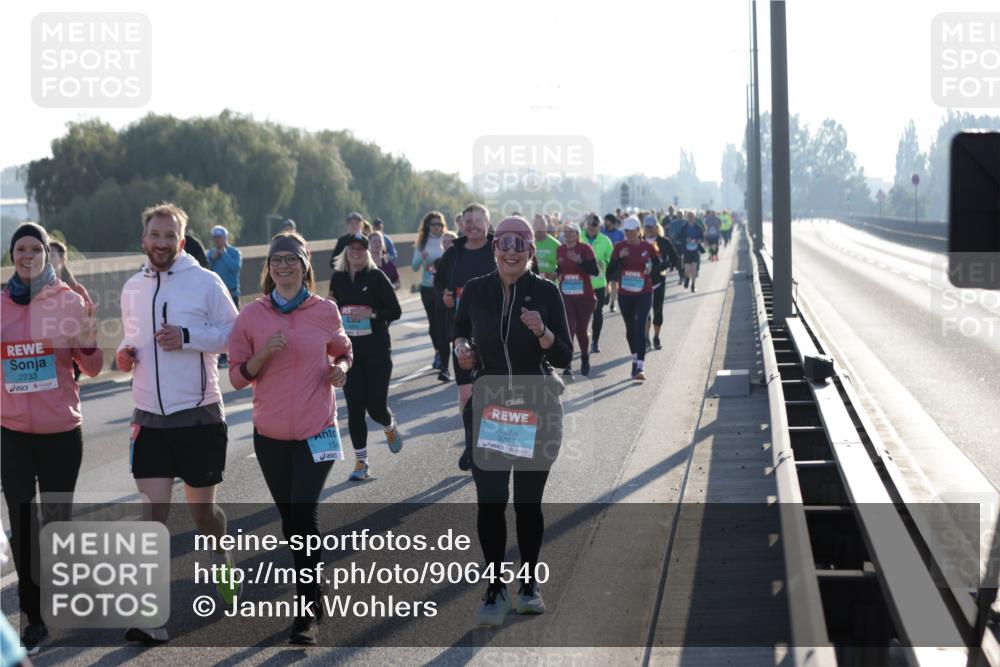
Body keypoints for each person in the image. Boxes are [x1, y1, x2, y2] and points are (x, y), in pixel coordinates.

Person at [116, 203, 239, 644]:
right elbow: (132, 339)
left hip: (198, 416)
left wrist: (187, 337)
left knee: (202, 513)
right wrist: (124, 354)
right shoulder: (132, 287)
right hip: (148, 418)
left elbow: (235, 335)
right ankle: (150, 616)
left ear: (181, 242)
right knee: (152, 518)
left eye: (170, 236)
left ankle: (222, 556)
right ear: (144, 239)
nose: (162, 242)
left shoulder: (205, 282)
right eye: (155, 234)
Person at [227, 231, 351, 645]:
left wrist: (341, 369)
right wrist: (264, 353)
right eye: (277, 260)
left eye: (291, 259)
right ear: (269, 267)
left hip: (319, 429)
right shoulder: (251, 316)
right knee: (291, 521)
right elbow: (236, 378)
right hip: (271, 435)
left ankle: (306, 614)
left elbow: (343, 349)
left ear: (305, 265)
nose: (284, 266)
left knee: (302, 513)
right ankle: (315, 589)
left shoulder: (325, 310)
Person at [452, 215, 571, 627]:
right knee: (490, 501)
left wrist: (543, 333)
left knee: (527, 503)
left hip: (537, 406)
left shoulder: (546, 292)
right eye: (504, 242)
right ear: (494, 248)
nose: (511, 251)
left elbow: (564, 355)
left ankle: (529, 584)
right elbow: (459, 331)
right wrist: (463, 350)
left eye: (520, 244)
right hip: (490, 407)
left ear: (531, 251)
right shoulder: (476, 290)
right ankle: (495, 586)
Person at [1, 223, 102, 656]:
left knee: (56, 524)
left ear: (46, 253)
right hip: (12, 434)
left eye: (35, 248)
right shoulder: (1, 304)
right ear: (12, 255)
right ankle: (34, 619)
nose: (27, 255)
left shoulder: (68, 300)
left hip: (61, 431)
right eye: (20, 248)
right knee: (23, 527)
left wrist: (87, 342)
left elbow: (93, 367)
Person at [329, 233, 403, 481]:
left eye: (360, 248)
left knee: (376, 407)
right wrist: (331, 306)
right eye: (351, 248)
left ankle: (389, 425)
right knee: (355, 408)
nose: (356, 252)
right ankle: (362, 462)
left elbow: (395, 310)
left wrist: (370, 314)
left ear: (367, 252)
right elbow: (332, 311)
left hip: (377, 351)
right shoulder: (338, 279)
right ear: (345, 252)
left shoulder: (376, 276)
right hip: (348, 354)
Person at [435, 203, 496, 463]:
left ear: (487, 223)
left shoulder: (498, 248)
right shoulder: (454, 253)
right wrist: (446, 297)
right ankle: (472, 444)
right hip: (461, 332)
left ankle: (491, 442)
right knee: (465, 394)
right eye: (468, 221)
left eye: (477, 220)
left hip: (495, 333)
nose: (472, 226)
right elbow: (440, 283)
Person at [607, 216, 660, 381]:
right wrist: (619, 258)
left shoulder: (648, 247)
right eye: (626, 231)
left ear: (638, 231)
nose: (628, 235)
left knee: (640, 326)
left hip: (644, 292)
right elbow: (610, 271)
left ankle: (641, 367)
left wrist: (651, 268)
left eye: (631, 231)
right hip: (625, 294)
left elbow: (658, 265)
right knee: (630, 329)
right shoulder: (619, 247)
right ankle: (635, 359)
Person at [554, 221, 599, 377]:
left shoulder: (585, 249)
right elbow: (561, 267)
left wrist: (578, 261)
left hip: (584, 296)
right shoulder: (560, 250)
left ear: (578, 234)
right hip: (566, 295)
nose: (567, 234)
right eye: (565, 231)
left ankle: (585, 357)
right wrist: (557, 272)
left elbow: (595, 271)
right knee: (569, 328)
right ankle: (567, 365)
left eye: (571, 231)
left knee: (581, 330)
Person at [49, 240, 95, 382]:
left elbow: (88, 313)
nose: (47, 259)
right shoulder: (35, 289)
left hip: (72, 347)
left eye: (52, 255)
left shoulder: (75, 289)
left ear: (62, 259)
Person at [411, 211, 451, 376]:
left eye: (440, 224)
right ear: (427, 226)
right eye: (434, 224)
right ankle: (438, 353)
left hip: (443, 288)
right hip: (428, 288)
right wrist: (422, 257)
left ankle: (446, 355)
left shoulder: (447, 241)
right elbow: (414, 267)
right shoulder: (422, 243)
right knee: (433, 322)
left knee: (444, 322)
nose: (437, 227)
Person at [642, 217, 679, 350]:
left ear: (656, 227)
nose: (648, 229)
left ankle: (656, 337)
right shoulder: (639, 241)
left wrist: (665, 265)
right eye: (646, 227)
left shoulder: (664, 242)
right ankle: (646, 338)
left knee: (657, 311)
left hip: (658, 281)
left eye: (651, 227)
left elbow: (675, 258)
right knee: (644, 312)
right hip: (642, 282)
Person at [208, 226, 242, 368]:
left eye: (220, 238)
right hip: (217, 296)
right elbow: (206, 269)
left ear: (225, 238)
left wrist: (224, 254)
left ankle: (237, 353)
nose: (217, 240)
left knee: (235, 325)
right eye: (215, 238)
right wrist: (213, 259)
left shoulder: (234, 252)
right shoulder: (211, 253)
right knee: (218, 325)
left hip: (232, 293)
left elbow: (235, 267)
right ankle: (222, 356)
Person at [582, 213, 613, 354]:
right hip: (581, 284)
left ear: (599, 226)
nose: (591, 227)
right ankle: (583, 338)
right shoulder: (579, 237)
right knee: (582, 315)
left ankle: (595, 341)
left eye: (594, 224)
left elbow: (611, 260)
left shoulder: (605, 241)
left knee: (597, 313)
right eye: (589, 224)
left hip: (599, 284)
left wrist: (603, 263)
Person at [601, 214, 624, 312]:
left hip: (616, 262)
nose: (605, 223)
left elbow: (623, 246)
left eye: (607, 221)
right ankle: (607, 293)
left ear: (612, 222)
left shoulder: (620, 233)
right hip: (604, 262)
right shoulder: (602, 233)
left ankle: (612, 303)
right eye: (604, 221)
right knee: (605, 283)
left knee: (614, 283)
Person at [681, 212, 705, 292]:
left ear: (694, 218)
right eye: (689, 217)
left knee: (694, 269)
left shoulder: (698, 228)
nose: (691, 218)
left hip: (695, 251)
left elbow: (702, 238)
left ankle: (693, 285)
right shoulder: (684, 228)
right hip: (687, 251)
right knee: (687, 270)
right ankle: (687, 278)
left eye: (692, 217)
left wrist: (699, 241)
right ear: (687, 218)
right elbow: (679, 237)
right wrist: (685, 239)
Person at [532, 214, 560, 280]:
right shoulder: (527, 243)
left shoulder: (556, 244)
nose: (539, 226)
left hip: (550, 283)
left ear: (547, 225)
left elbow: (562, 266)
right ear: (532, 226)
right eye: (536, 224)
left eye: (542, 224)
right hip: (531, 283)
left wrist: (556, 273)